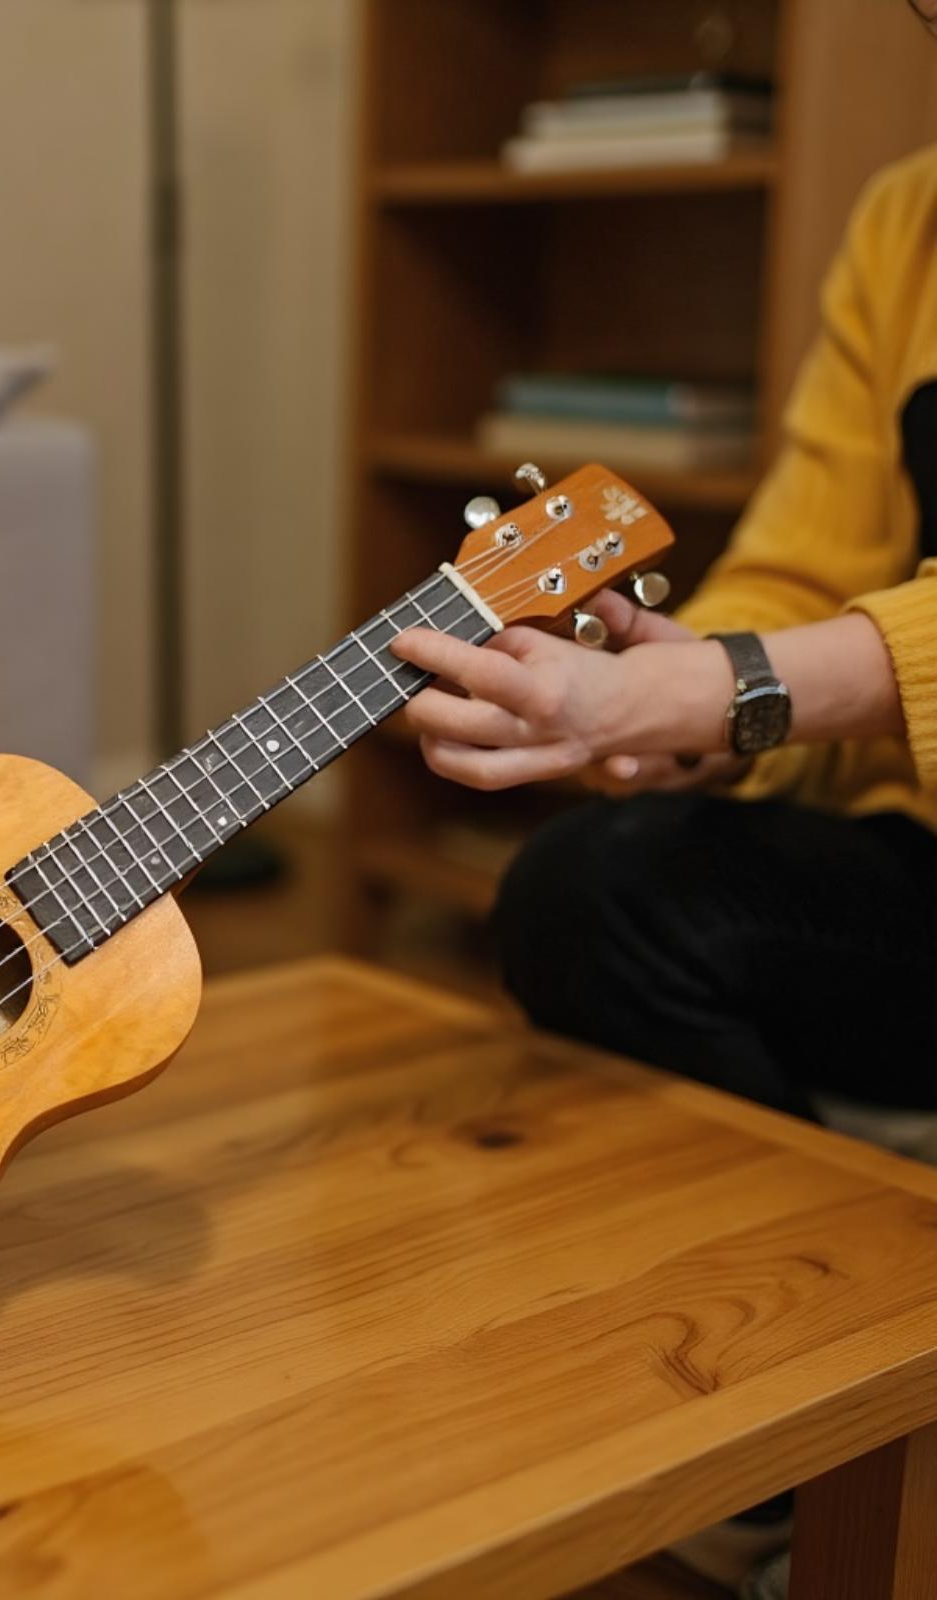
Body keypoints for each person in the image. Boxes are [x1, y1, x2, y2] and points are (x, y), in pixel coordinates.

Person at [386, 88, 937, 1600]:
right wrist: (694, 704)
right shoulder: (910, 216)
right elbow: (804, 571)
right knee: (588, 894)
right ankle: (812, 1431)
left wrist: (729, 688)